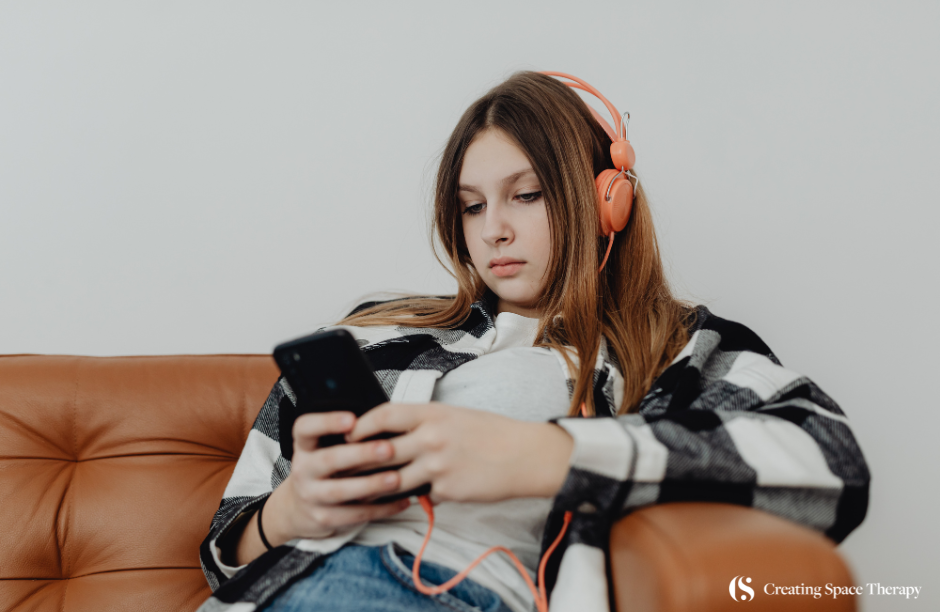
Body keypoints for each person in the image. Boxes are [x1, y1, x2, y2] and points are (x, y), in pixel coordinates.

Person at [197, 71, 870, 612]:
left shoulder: (672, 347)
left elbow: (832, 463)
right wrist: (290, 512)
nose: (493, 230)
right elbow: (222, 550)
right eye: (472, 205)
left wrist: (544, 454)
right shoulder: (371, 333)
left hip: (436, 590)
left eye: (526, 195)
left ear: (608, 202)